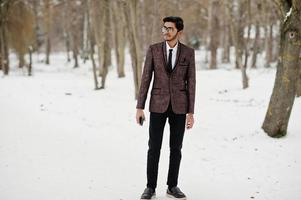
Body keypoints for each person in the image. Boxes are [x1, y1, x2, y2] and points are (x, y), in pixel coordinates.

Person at [136, 16, 196, 200]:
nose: (165, 32)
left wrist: (191, 112)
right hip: (157, 105)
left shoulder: (188, 52)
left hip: (179, 106)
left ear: (179, 31)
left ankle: (172, 186)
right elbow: (146, 79)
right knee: (153, 147)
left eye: (170, 29)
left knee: (176, 148)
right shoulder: (153, 50)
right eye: (164, 28)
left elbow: (191, 82)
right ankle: (150, 187)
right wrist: (140, 106)